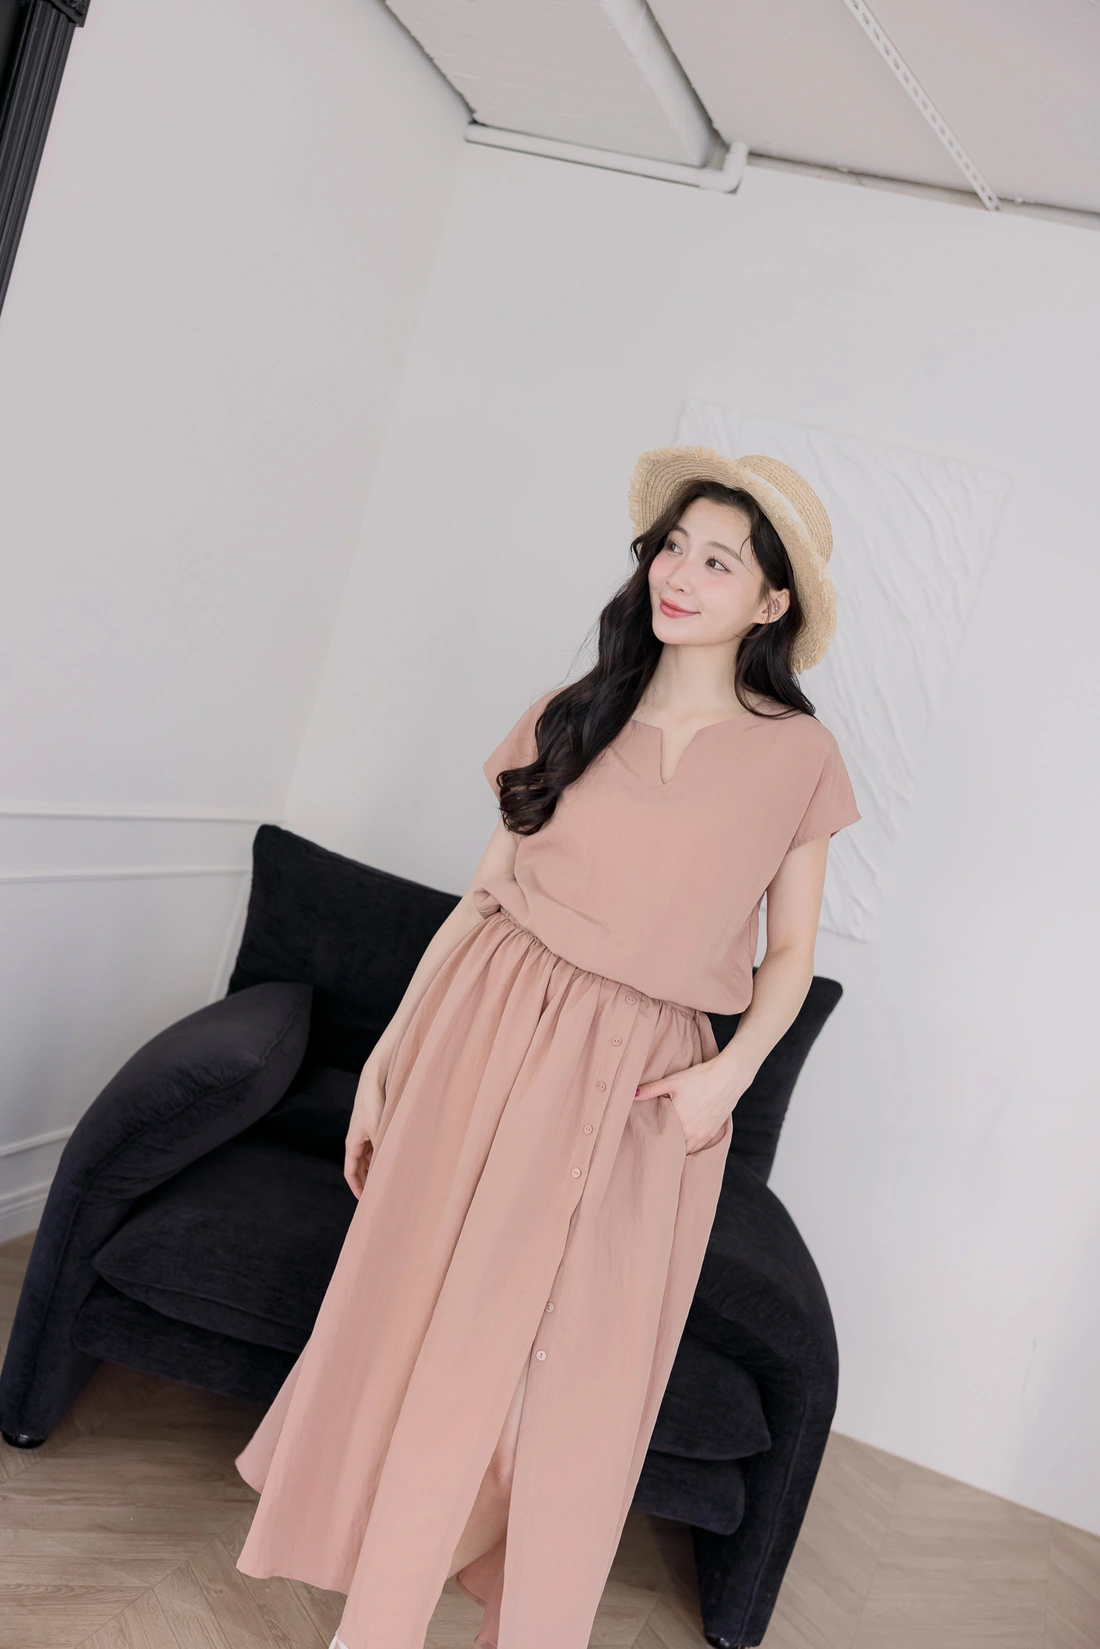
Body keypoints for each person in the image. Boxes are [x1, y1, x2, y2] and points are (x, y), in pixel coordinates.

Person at [232, 444, 862, 1649]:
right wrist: (389, 1055)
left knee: (577, 1370)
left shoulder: (799, 756)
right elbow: (481, 896)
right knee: (430, 1325)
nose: (678, 573)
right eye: (671, 547)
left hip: (645, 1085)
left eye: (717, 560)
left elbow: (788, 952)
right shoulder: (573, 710)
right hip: (485, 1032)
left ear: (769, 601)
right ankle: (375, 1621)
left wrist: (728, 1074)